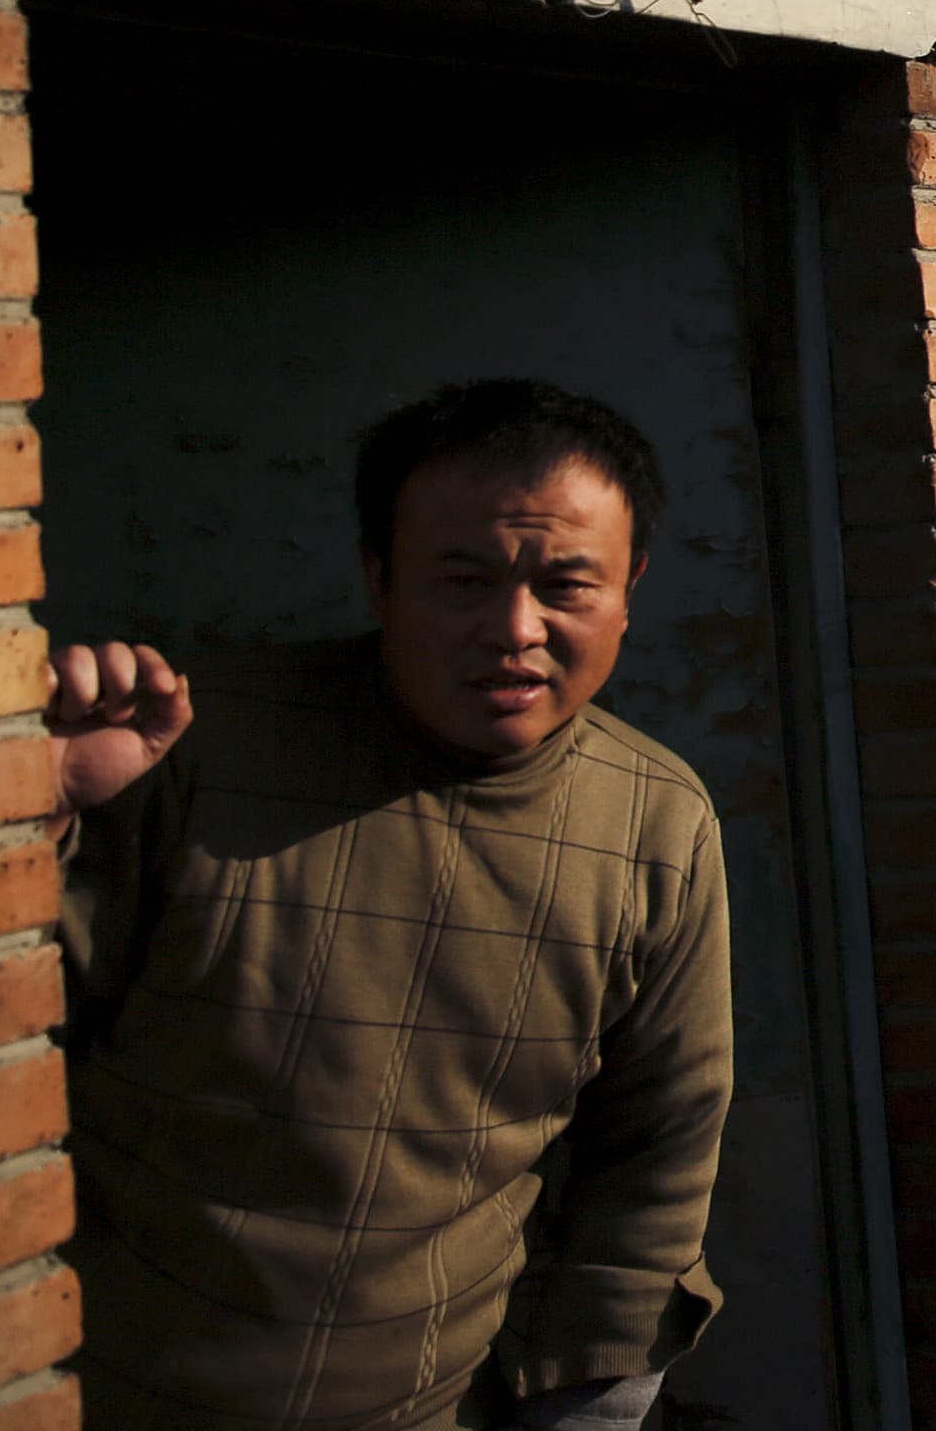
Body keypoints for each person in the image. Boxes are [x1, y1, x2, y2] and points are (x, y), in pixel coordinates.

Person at [50, 379, 730, 1431]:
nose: (515, 629)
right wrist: (34, 823)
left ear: (630, 588)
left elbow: (654, 1161)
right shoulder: (194, 750)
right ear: (379, 577)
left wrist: (586, 1406)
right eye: (463, 579)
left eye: (566, 584)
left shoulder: (654, 823)